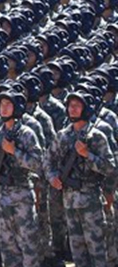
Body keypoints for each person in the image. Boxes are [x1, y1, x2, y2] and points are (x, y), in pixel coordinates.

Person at [48, 90, 113, 267]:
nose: (72, 109)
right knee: (77, 251)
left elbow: (110, 167)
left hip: (90, 200)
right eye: (70, 105)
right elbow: (49, 161)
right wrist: (53, 177)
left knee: (97, 249)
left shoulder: (97, 136)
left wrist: (87, 155)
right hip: (68, 201)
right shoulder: (61, 136)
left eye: (77, 106)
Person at [0, 88, 43, 267]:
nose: (4, 108)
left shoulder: (26, 134)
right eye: (2, 104)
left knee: (28, 244)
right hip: (3, 195)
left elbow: (37, 163)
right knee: (7, 245)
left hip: (22, 193)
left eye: (8, 104)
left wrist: (14, 151)